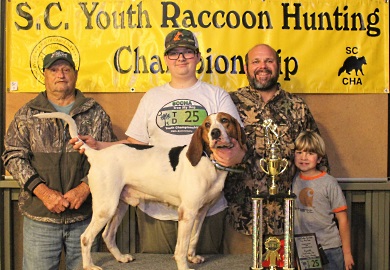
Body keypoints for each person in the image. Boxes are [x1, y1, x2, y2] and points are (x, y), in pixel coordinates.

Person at [71, 29, 245, 254]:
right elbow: (135, 143)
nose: (181, 58)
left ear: (198, 57)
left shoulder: (217, 95)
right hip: (157, 212)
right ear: (165, 60)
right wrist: (100, 146)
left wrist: (228, 156)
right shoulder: (152, 97)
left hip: (207, 209)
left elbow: (238, 145)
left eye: (187, 52)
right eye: (174, 53)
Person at [2, 50, 117, 270]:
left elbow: (109, 158)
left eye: (66, 69)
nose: (60, 74)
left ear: (75, 73)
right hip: (40, 220)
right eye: (54, 70)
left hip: (85, 219)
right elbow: (12, 155)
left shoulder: (95, 113)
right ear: (44, 75)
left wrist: (84, 188)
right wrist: (43, 192)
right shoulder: (27, 113)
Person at [221, 44, 330, 254]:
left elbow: (318, 158)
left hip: (288, 220)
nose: (263, 67)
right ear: (246, 68)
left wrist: (319, 208)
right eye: (256, 61)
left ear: (278, 66)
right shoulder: (229, 104)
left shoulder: (297, 106)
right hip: (241, 220)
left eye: (269, 61)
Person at [293, 131, 354, 270]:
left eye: (310, 153)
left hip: (330, 249)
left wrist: (347, 253)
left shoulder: (329, 183)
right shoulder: (293, 180)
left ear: (319, 158)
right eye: (299, 152)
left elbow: (343, 219)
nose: (304, 157)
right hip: (304, 249)